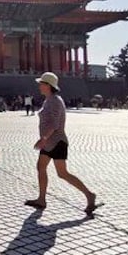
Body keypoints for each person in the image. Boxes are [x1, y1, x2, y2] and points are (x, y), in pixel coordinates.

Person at [25, 72, 99, 215]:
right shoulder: (49, 100)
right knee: (41, 167)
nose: (39, 85)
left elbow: (55, 124)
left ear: (48, 85)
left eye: (41, 83)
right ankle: (41, 199)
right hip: (49, 143)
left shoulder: (55, 101)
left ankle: (89, 195)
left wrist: (43, 138)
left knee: (62, 173)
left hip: (57, 142)